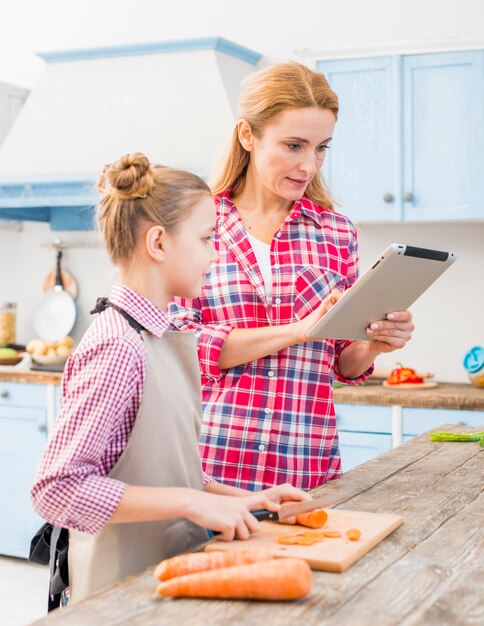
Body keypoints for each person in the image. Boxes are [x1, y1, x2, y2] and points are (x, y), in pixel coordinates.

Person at [31, 153, 307, 605]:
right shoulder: (117, 346)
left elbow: (161, 475)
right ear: (158, 242)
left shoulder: (159, 337)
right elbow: (56, 489)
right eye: (205, 239)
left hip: (162, 580)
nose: (214, 254)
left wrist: (251, 498)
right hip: (119, 597)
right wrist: (191, 503)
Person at [168, 62, 414, 491]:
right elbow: (181, 347)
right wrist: (298, 331)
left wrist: (372, 344)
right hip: (209, 467)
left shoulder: (336, 232)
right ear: (248, 135)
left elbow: (339, 361)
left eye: (322, 148)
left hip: (306, 467)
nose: (309, 165)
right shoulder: (197, 222)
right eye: (294, 145)